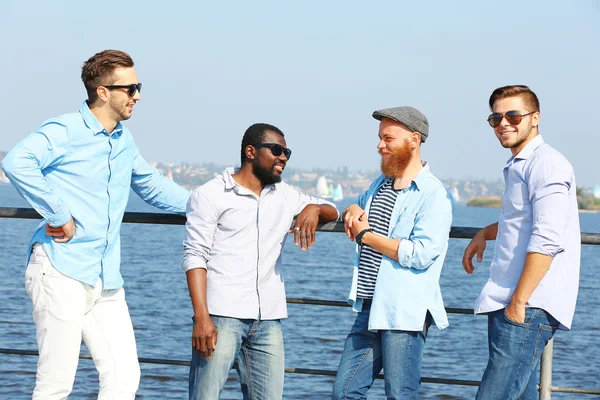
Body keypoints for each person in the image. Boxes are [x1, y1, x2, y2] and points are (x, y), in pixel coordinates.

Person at [1, 50, 190, 399]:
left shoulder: (122, 139)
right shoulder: (66, 129)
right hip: (60, 269)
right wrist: (59, 214)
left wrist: (210, 206)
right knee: (56, 383)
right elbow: (17, 162)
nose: (138, 96)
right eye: (130, 88)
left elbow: (150, 184)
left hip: (105, 278)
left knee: (123, 376)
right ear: (103, 92)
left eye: (139, 86)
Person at [182, 122, 338, 399]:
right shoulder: (210, 194)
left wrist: (314, 208)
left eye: (287, 152)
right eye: (276, 150)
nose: (283, 158)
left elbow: (334, 210)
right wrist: (201, 317)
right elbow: (195, 256)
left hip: (268, 320)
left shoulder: (285, 195)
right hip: (221, 317)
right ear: (251, 151)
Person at [462, 85, 580, 400]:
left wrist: (519, 302)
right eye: (495, 117)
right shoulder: (520, 164)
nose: (504, 123)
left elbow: (547, 238)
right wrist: (485, 233)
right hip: (510, 300)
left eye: (513, 115)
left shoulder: (546, 163)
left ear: (535, 118)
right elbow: (522, 220)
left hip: (527, 304)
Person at [332, 106, 453, 399]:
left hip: (404, 312)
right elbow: (356, 206)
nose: (380, 145)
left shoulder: (433, 195)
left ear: (414, 140)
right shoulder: (380, 185)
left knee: (400, 395)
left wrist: (367, 236)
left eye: (388, 139)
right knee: (344, 393)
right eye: (380, 138)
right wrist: (353, 209)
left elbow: (421, 253)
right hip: (370, 306)